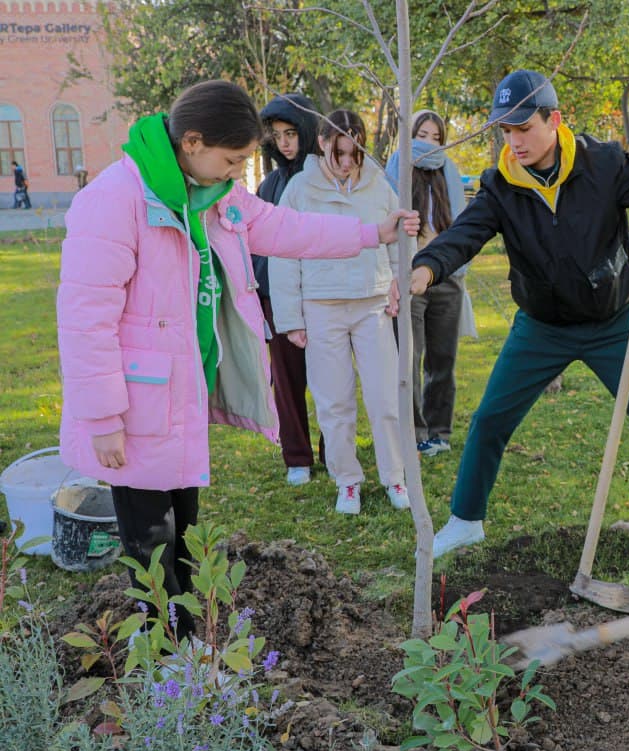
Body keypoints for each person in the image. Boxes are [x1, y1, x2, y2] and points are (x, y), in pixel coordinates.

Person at [57, 81, 419, 641]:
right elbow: (85, 323)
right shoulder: (115, 201)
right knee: (150, 538)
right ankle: (165, 653)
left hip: (181, 391)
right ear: (193, 142)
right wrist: (103, 419)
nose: (237, 174)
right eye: (232, 160)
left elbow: (284, 228)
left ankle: (185, 641)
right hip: (132, 406)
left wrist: (372, 232)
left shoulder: (211, 191)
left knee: (184, 523)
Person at [409, 69, 629, 571]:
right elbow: (464, 234)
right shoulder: (501, 185)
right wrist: (426, 267)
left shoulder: (603, 164)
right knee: (489, 420)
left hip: (613, 323)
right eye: (505, 132)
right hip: (542, 327)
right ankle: (467, 520)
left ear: (554, 119)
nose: (515, 141)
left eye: (523, 128)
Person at [269, 109, 412, 516]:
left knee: (385, 396)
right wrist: (291, 318)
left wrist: (399, 279)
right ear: (322, 145)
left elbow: (398, 238)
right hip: (321, 307)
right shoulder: (299, 189)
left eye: (355, 154)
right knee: (334, 402)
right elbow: (283, 251)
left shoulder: (380, 186)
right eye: (339, 153)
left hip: (372, 305)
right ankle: (347, 481)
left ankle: (394, 476)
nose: (348, 163)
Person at [385, 109, 476, 458]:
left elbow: (461, 225)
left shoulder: (448, 172)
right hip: (409, 277)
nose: (429, 142)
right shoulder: (395, 169)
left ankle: (439, 431)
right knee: (409, 358)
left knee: (443, 360)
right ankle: (414, 432)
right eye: (423, 134)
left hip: (447, 277)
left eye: (437, 137)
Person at [252, 92, 325, 486]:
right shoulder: (270, 185)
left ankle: (335, 449)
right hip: (276, 299)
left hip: (324, 294)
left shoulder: (327, 180)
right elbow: (258, 244)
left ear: (309, 132)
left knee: (334, 382)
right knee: (287, 381)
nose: (284, 142)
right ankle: (297, 456)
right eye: (277, 134)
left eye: (292, 132)